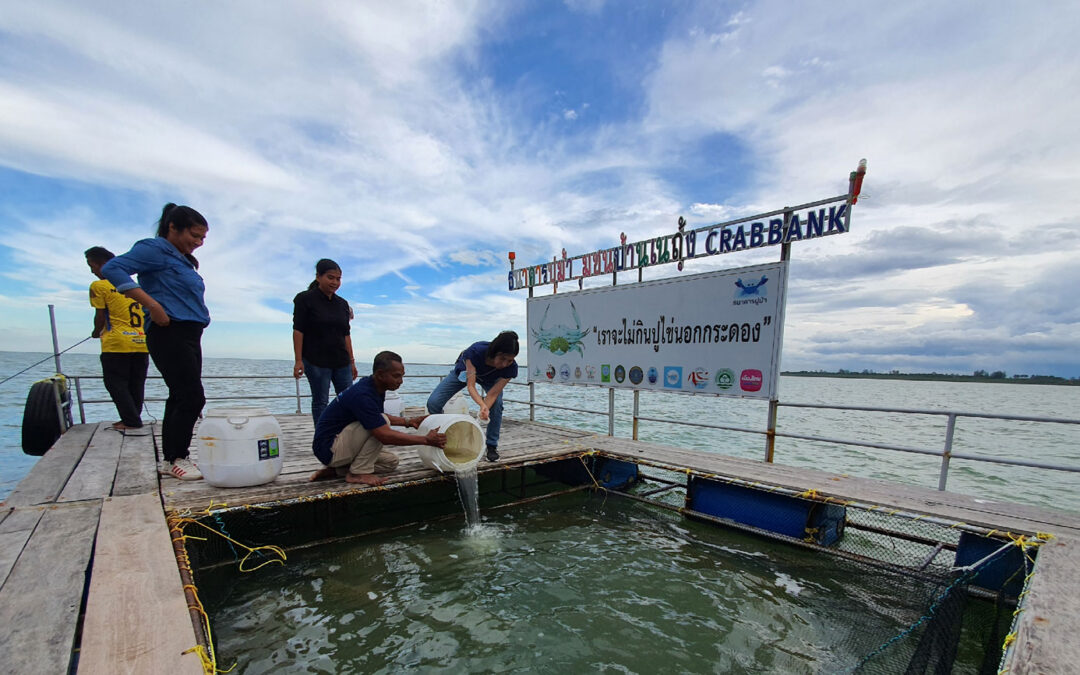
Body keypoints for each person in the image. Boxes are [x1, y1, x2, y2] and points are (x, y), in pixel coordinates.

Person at [101, 204, 210, 481]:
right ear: (173, 227)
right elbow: (113, 268)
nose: (197, 243)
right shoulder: (154, 249)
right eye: (194, 236)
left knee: (179, 394)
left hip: (190, 333)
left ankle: (170, 458)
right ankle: (178, 457)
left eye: (202, 239)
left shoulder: (181, 259)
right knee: (193, 396)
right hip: (169, 330)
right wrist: (152, 305)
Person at [310, 351, 446, 485]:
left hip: (339, 446)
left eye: (402, 376)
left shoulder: (373, 386)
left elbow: (372, 415)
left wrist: (408, 422)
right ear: (380, 374)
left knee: (390, 462)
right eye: (396, 376)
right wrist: (426, 440)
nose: (401, 381)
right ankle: (358, 473)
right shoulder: (362, 395)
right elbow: (384, 435)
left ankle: (336, 471)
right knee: (382, 424)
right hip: (329, 448)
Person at [426, 331, 519, 462]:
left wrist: (484, 409)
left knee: (497, 405)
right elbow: (471, 386)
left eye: (509, 360)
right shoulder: (476, 352)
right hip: (466, 373)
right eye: (502, 358)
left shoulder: (511, 368)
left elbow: (493, 393)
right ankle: (445, 434)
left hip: (491, 379)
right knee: (433, 402)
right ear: (494, 352)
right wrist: (482, 404)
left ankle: (491, 446)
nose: (504, 364)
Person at [85, 246, 149, 432]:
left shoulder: (99, 286)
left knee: (115, 382)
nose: (92, 271)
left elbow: (100, 316)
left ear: (101, 264)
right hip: (141, 341)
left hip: (116, 342)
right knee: (136, 383)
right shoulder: (136, 288)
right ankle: (132, 418)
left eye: (92, 266)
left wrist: (96, 332)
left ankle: (131, 420)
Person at [292, 258, 358, 425]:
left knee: (349, 399)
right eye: (330, 277)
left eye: (338, 278)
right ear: (318, 277)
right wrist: (298, 360)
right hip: (316, 361)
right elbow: (298, 330)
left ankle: (346, 435)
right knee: (321, 401)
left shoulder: (342, 304)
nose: (335, 282)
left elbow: (346, 335)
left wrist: (352, 362)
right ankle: (323, 438)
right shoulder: (304, 299)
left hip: (341, 361)